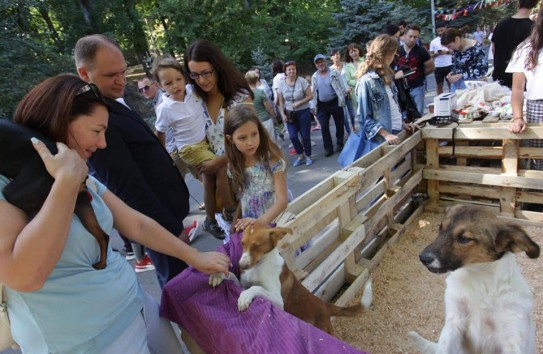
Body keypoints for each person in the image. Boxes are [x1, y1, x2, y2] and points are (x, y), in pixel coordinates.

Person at [1, 73, 230, 353]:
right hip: (85, 342)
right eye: (97, 131)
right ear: (61, 120)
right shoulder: (17, 182)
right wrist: (65, 184)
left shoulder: (79, 173)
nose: (102, 143)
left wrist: (196, 257)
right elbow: (25, 276)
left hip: (136, 307)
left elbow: (136, 224)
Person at [74, 34, 190, 288]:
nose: (120, 80)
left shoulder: (112, 102)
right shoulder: (97, 121)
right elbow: (127, 188)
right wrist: (170, 230)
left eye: (123, 71)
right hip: (159, 226)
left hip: (167, 215)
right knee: (183, 290)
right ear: (84, 73)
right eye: (110, 75)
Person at [152, 55, 234, 240]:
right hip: (189, 148)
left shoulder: (192, 92)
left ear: (184, 76)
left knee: (209, 181)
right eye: (168, 83)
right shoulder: (164, 108)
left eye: (178, 79)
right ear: (159, 85)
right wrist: (162, 155)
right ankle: (230, 208)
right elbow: (160, 132)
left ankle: (210, 220)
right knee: (220, 167)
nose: (175, 86)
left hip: (204, 143)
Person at [184, 39, 253, 233]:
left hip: (251, 185)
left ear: (217, 67)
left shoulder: (240, 97)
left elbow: (254, 142)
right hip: (223, 192)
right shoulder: (194, 102)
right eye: (195, 75)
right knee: (237, 253)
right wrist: (204, 170)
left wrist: (219, 162)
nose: (202, 80)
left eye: (206, 72)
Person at [224, 104, 289, 232]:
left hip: (274, 224)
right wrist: (235, 221)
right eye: (242, 138)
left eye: (254, 134)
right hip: (251, 227)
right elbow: (243, 197)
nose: (250, 142)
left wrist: (260, 222)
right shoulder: (234, 166)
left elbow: (282, 200)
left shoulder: (272, 160)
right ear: (230, 139)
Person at [356, 34, 418, 148]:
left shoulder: (386, 76)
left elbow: (391, 106)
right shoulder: (366, 81)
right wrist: (386, 135)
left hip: (396, 131)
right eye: (394, 53)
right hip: (384, 139)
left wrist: (402, 124)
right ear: (386, 54)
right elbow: (364, 119)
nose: (395, 57)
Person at [507, 5, 543, 171]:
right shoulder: (526, 48)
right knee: (540, 161)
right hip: (538, 109)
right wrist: (517, 117)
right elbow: (518, 89)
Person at [492, 0, 537, 88]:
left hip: (501, 74)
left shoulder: (501, 24)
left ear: (518, 4)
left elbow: (494, 48)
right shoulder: (535, 28)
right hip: (523, 78)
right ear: (533, 6)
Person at [277, 60, 314, 166]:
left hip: (303, 112)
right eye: (289, 69)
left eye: (293, 69)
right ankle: (300, 154)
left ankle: (308, 156)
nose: (292, 71)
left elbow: (310, 96)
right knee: (293, 136)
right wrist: (283, 114)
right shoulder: (281, 84)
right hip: (290, 114)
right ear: (285, 71)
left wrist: (299, 102)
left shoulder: (302, 81)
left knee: (305, 136)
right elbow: (281, 101)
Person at [311, 54, 348, 157]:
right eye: (318, 62)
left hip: (335, 102)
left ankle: (340, 143)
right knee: (323, 126)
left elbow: (342, 85)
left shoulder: (334, 72)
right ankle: (328, 148)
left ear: (325, 61)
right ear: (315, 64)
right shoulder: (314, 76)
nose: (320, 64)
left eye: (322, 61)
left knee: (339, 124)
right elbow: (313, 92)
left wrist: (343, 96)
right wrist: (313, 106)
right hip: (322, 105)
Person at [396, 23, 435, 116]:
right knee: (403, 114)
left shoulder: (421, 51)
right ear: (404, 35)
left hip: (417, 86)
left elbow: (431, 67)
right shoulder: (398, 50)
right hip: (401, 88)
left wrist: (420, 74)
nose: (412, 39)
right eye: (410, 36)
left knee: (417, 113)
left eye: (415, 37)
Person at [441, 28, 488, 92]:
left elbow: (483, 70)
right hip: (456, 86)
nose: (450, 50)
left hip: (472, 87)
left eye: (449, 46)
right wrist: (452, 73)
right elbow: (457, 66)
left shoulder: (476, 47)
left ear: (457, 39)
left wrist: (461, 75)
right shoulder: (457, 49)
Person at [246, 70, 277, 141]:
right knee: (272, 142)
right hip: (265, 120)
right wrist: (275, 119)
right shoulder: (260, 92)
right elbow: (269, 108)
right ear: (256, 79)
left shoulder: (246, 96)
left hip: (254, 122)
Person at [331, 49, 355, 134]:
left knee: (352, 114)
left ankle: (354, 128)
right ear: (331, 58)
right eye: (334, 55)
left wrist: (351, 87)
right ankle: (348, 132)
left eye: (337, 54)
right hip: (339, 95)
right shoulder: (330, 70)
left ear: (340, 55)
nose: (336, 56)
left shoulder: (346, 65)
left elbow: (352, 76)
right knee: (344, 115)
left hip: (349, 92)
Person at [429, 22, 453, 95]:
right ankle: (439, 99)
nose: (440, 33)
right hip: (438, 66)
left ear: (445, 29)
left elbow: (454, 51)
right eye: (438, 31)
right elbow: (431, 55)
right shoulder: (433, 42)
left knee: (451, 83)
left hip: (449, 64)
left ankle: (453, 97)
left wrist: (447, 52)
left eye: (442, 30)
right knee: (439, 84)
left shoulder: (450, 39)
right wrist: (437, 53)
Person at [344, 43, 365, 126]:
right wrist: (359, 81)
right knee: (361, 114)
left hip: (367, 90)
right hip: (356, 94)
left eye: (355, 51)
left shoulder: (364, 60)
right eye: (351, 52)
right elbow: (348, 80)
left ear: (359, 50)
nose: (354, 54)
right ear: (349, 54)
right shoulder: (348, 66)